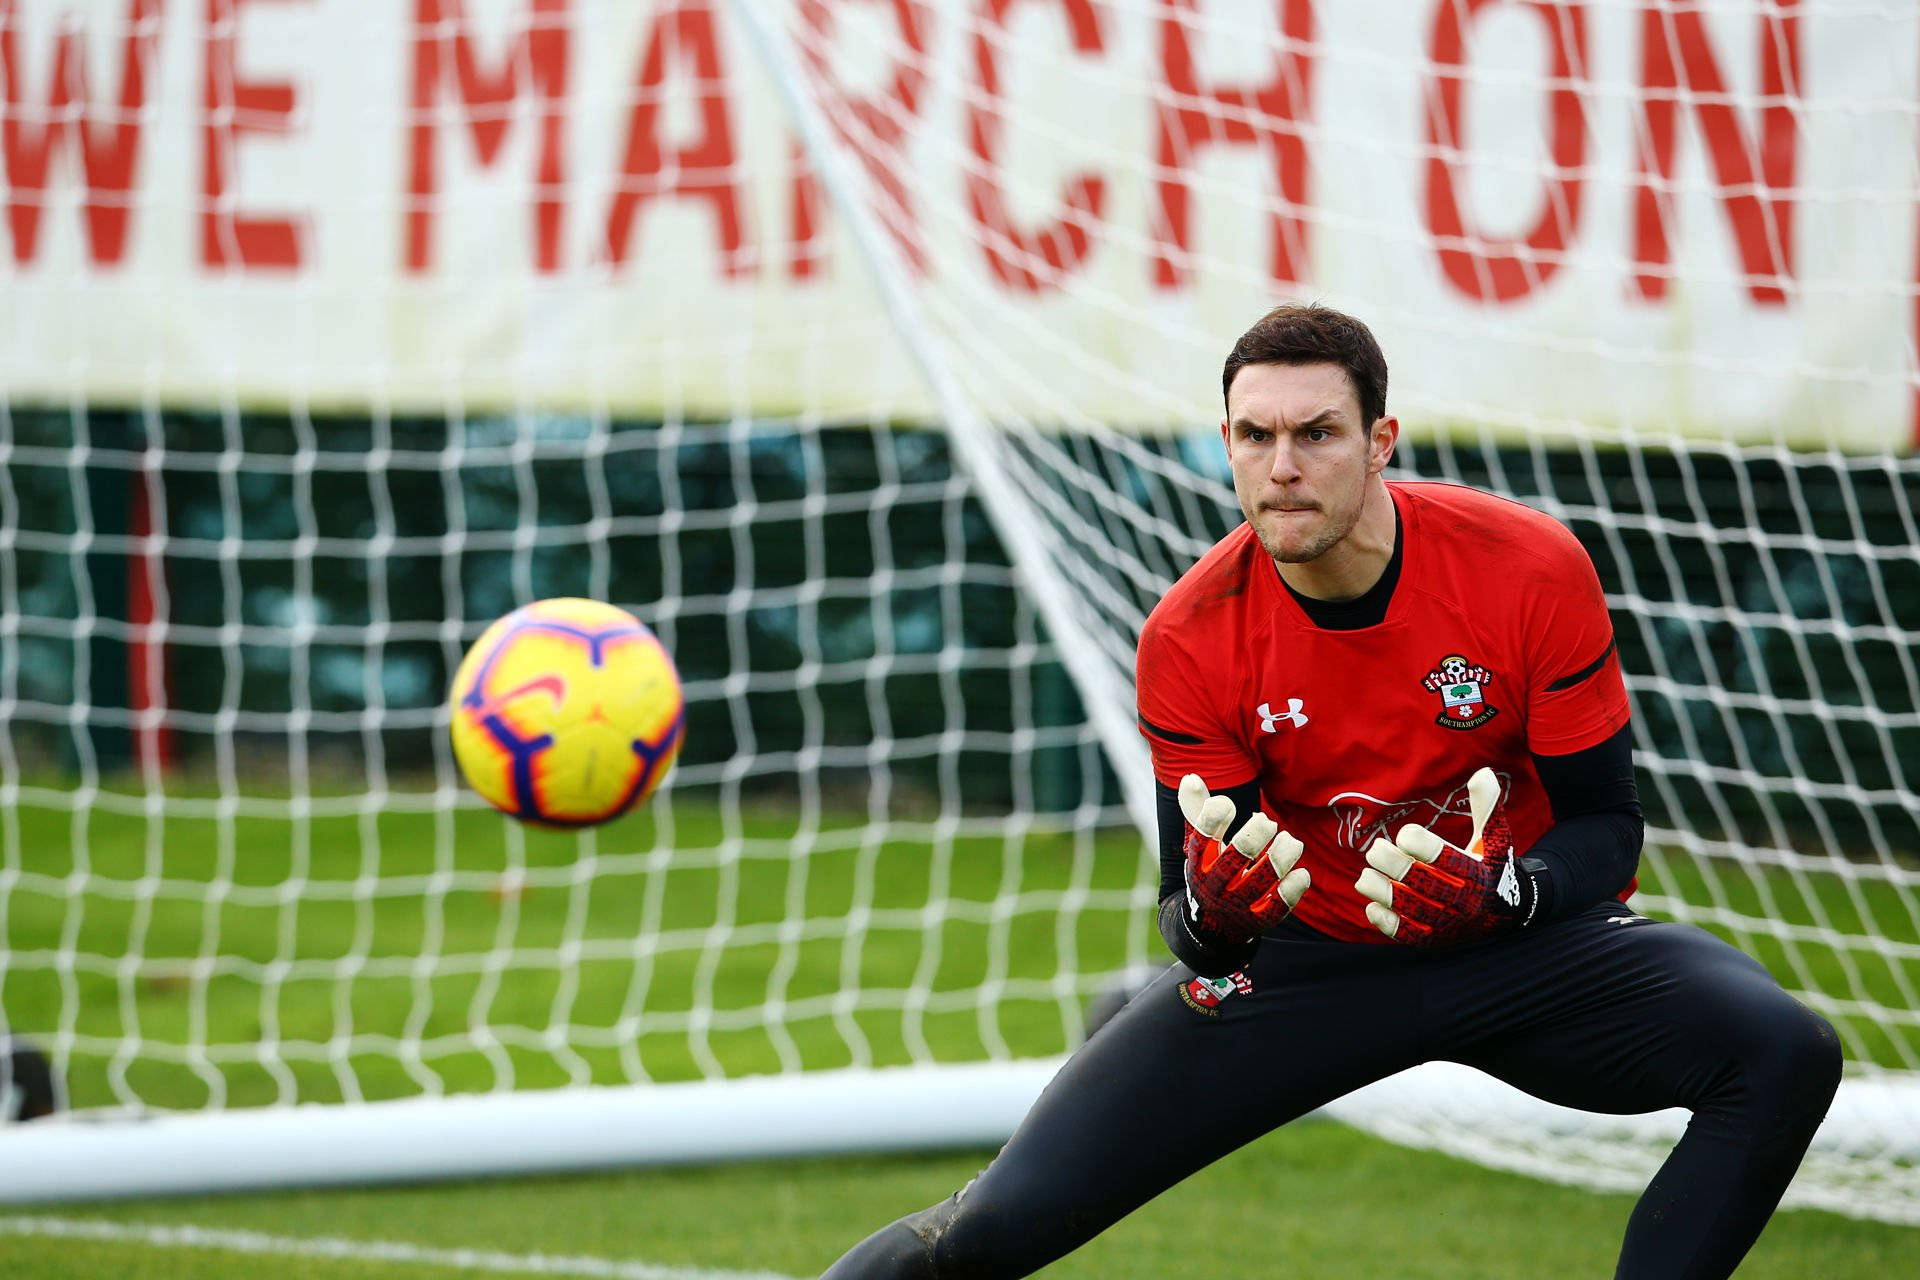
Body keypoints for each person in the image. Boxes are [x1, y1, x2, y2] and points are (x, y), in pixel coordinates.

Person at [820, 304, 1841, 1279]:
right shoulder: (1189, 636)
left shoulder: (1528, 568)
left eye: (1317, 432)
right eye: (1255, 435)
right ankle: (1136, 1018)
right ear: (1224, 440)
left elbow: (1608, 826)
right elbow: (1186, 908)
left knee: (1786, 1050)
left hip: (1522, 946)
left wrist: (1510, 893)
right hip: (1312, 966)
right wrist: (1216, 920)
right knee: (986, 1231)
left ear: (1380, 438)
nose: (1283, 467)